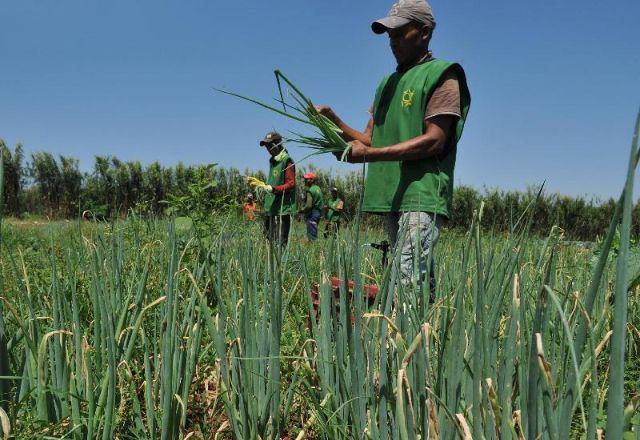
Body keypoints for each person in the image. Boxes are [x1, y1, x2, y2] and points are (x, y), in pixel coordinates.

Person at [315, 0, 471, 295]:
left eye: (400, 33)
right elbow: (371, 140)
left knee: (407, 278)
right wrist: (333, 121)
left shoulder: (443, 75)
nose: (393, 41)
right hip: (391, 195)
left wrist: (368, 156)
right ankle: (425, 333)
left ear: (424, 32)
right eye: (390, 35)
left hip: (420, 194)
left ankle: (403, 339)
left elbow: (434, 140)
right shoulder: (387, 83)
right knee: (412, 279)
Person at [260, 131, 297, 246]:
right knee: (269, 240)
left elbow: (291, 184)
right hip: (271, 206)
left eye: (270, 145)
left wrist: (274, 189)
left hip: (282, 208)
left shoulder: (286, 160)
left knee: (280, 243)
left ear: (278, 143)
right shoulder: (273, 160)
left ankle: (282, 263)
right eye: (266, 146)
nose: (268, 148)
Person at [298, 172, 323, 241]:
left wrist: (301, 210)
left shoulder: (310, 190)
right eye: (305, 179)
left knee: (312, 234)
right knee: (314, 229)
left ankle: (313, 247)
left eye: (307, 179)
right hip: (318, 212)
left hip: (313, 213)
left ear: (312, 180)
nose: (305, 180)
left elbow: (308, 206)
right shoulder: (318, 188)